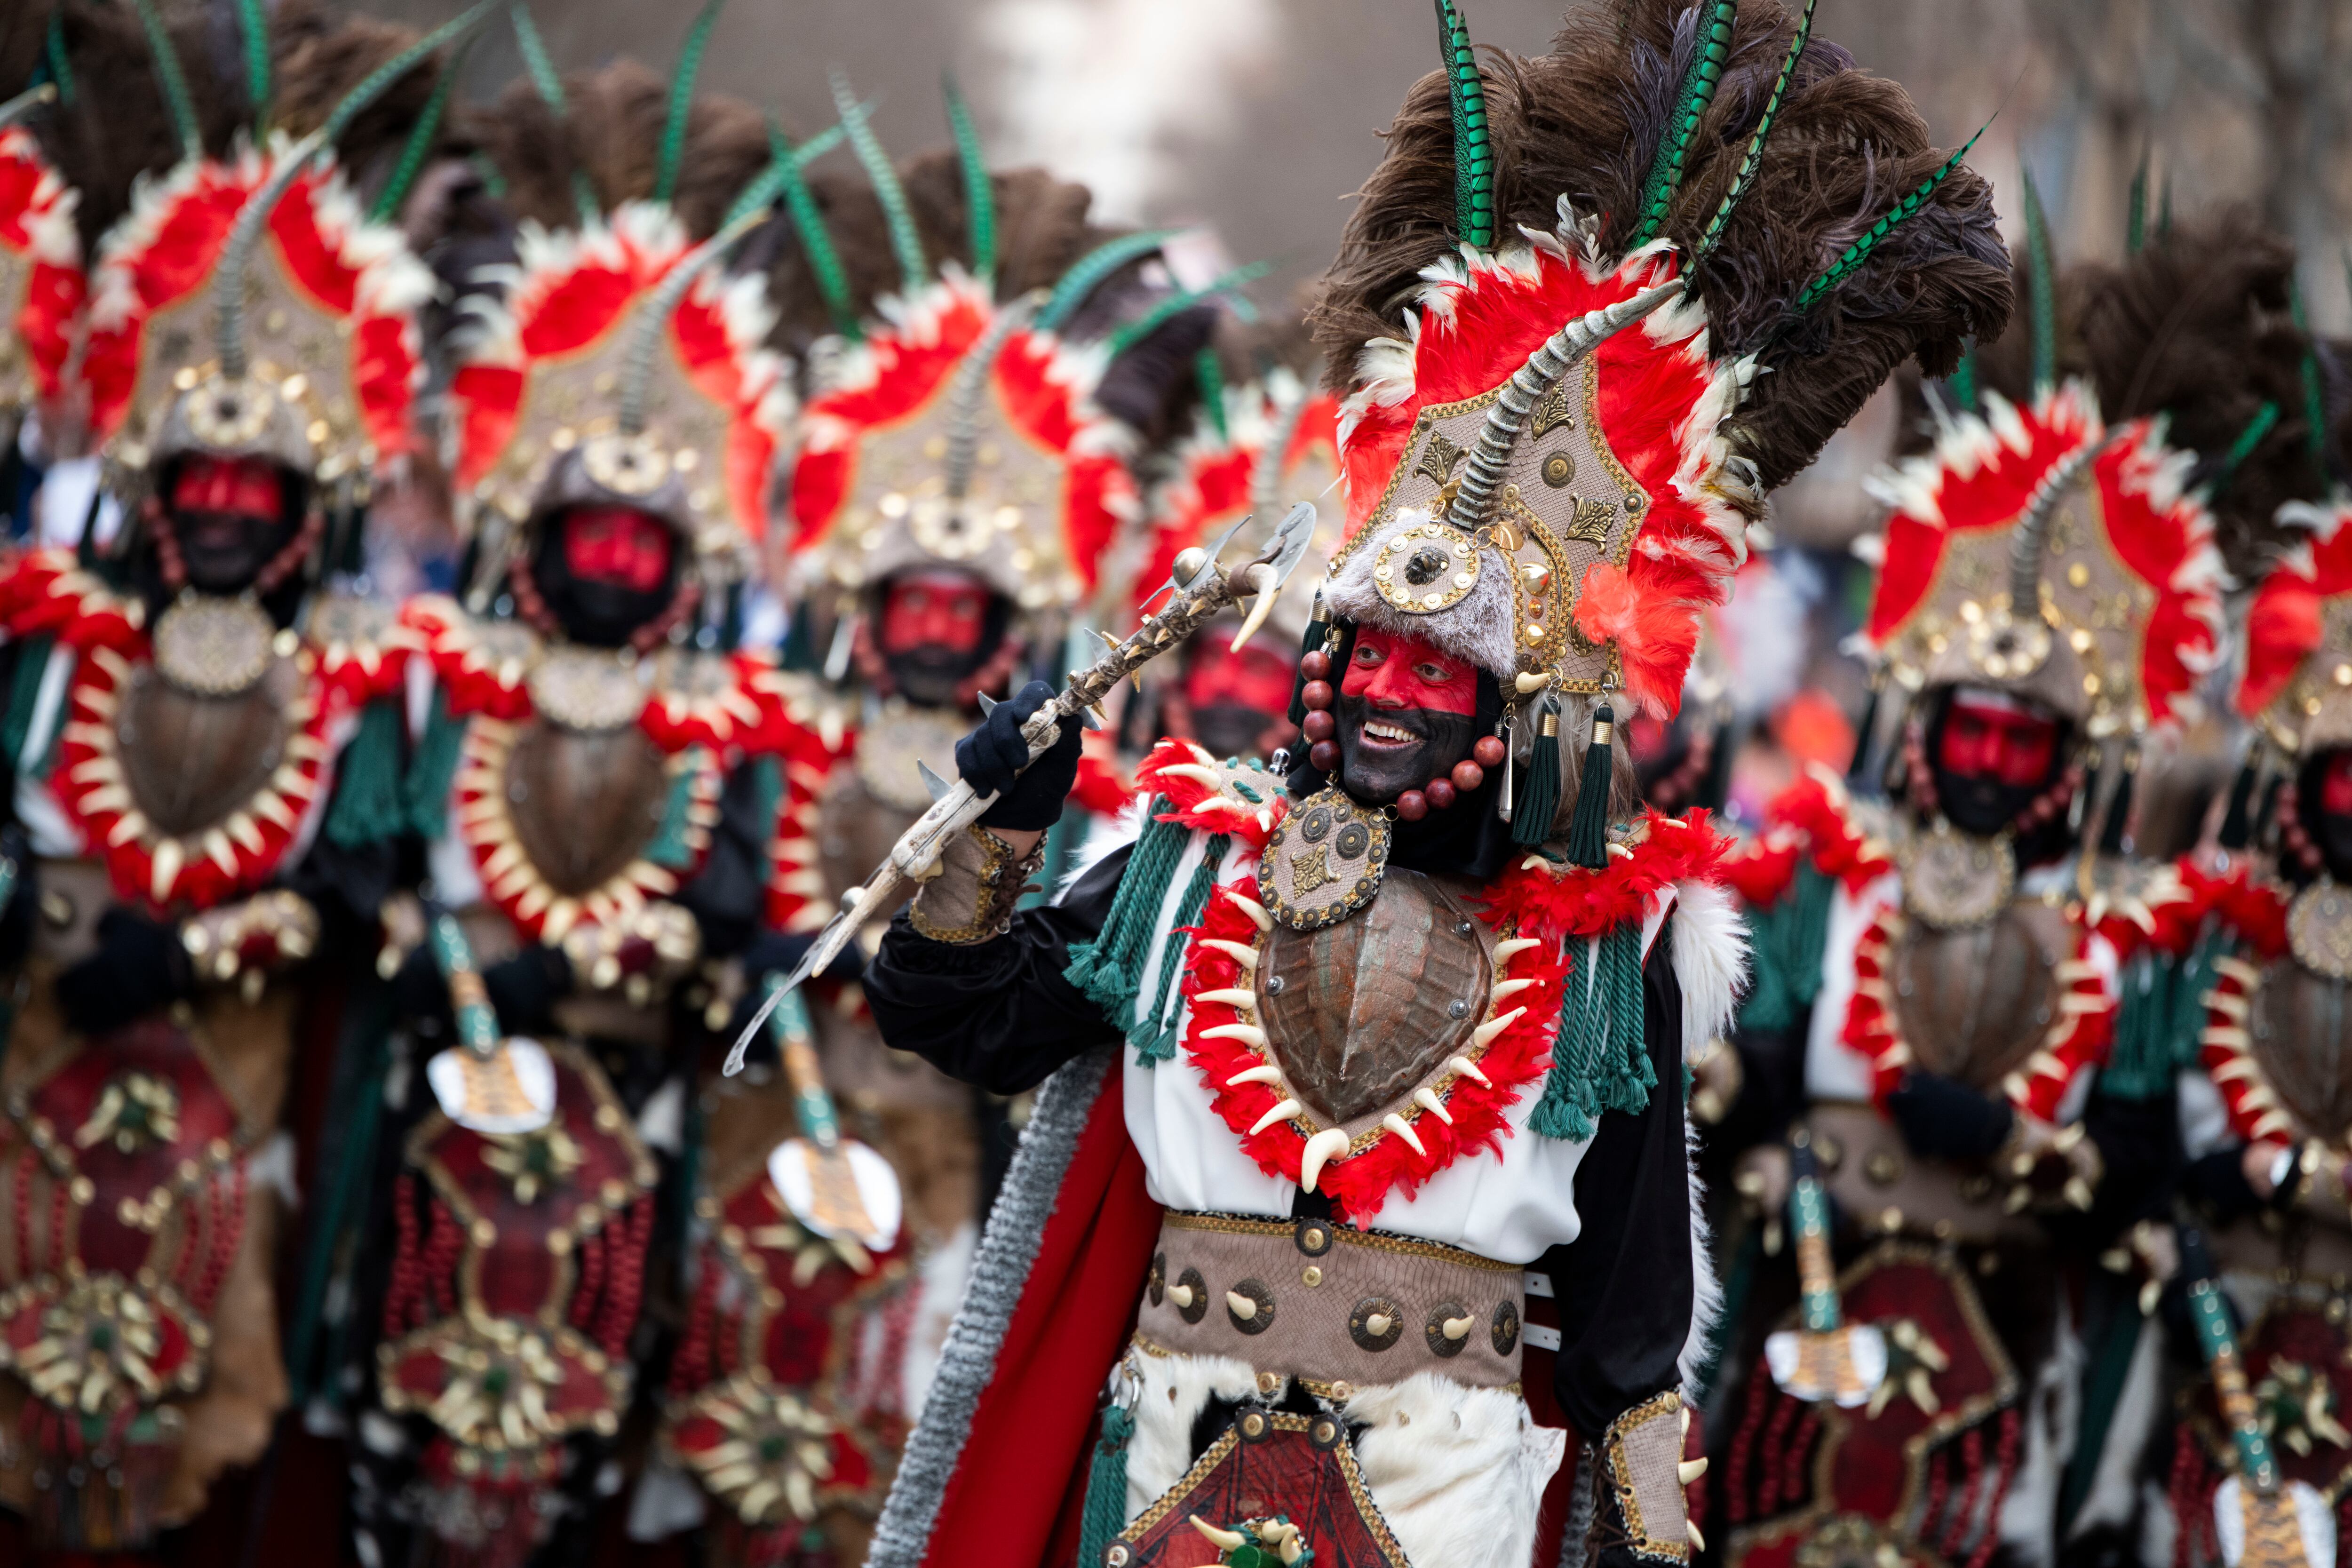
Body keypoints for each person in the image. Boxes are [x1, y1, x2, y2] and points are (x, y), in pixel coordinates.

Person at [852, 5, 2010, 1568]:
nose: (1392, 693)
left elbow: (1627, 1334)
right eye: (1371, 655)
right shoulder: (1191, 868)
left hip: (1448, 1500)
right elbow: (955, 1014)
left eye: (1438, 671)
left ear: (1518, 710)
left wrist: (1652, 1539)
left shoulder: (1610, 953)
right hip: (1169, 1479)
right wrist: (997, 826)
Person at [1705, 207, 2321, 1568]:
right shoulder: (1817, 874)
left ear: (2075, 756)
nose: (1984, 764)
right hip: (1797, 1323)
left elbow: (2139, 1182)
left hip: (2011, 1354)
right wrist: (1754, 1125)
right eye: (1966, 731)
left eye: (2017, 742)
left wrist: (2014, 1152)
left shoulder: (2132, 937)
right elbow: (1722, 1091)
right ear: (1917, 721)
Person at [0, 5, 459, 1549]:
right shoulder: (52, 630)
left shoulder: (360, 670)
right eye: (191, 484)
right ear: (144, 483)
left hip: (236, 1093)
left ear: (309, 501)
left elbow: (367, 897)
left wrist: (190, 948)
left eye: (252, 490)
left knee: (188, 1416)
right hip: (26, 1055)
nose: (216, 515)